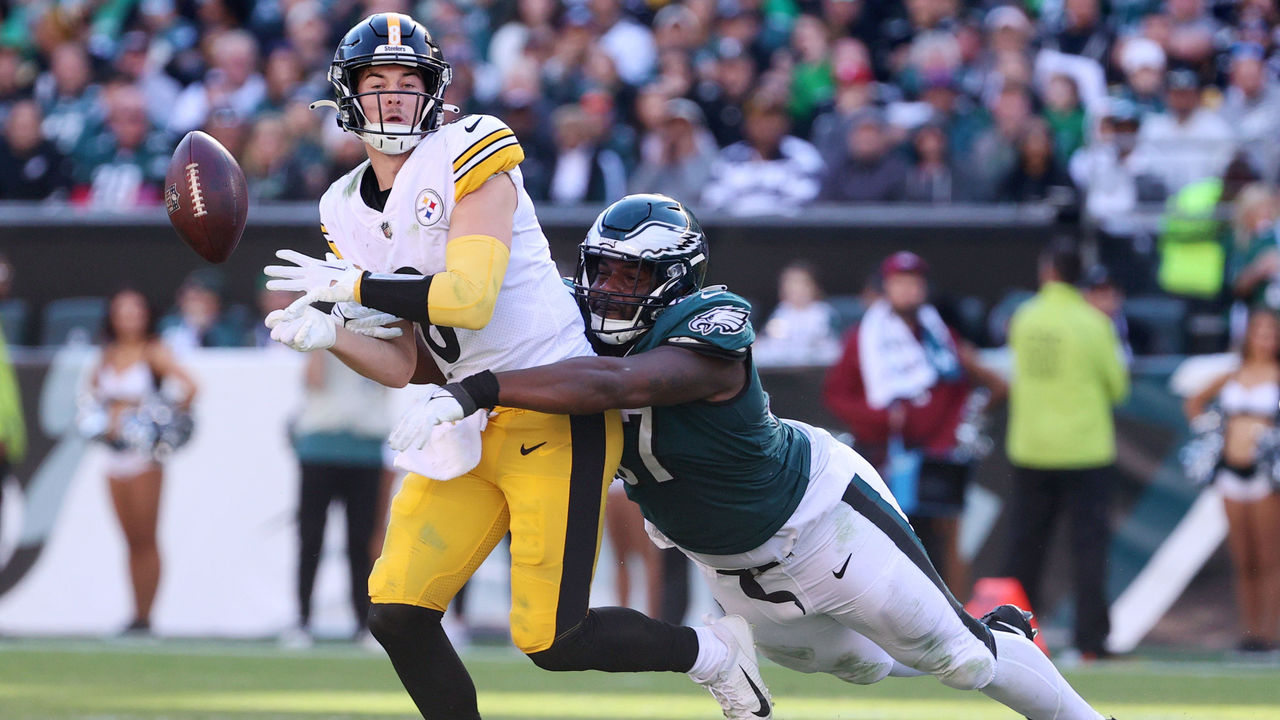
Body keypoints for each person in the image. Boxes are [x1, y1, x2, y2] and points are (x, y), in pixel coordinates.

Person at [389, 194, 1117, 720]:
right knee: (860, 667)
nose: (609, 291)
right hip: (730, 567)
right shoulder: (573, 333)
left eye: (631, 279)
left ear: (676, 280)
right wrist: (362, 316)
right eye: (602, 272)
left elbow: (617, 383)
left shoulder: (713, 321)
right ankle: (985, 631)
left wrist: (477, 388)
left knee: (960, 659)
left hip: (818, 521)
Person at [261, 14, 767, 720]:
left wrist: (354, 291)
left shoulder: (473, 148)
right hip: (463, 416)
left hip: (555, 408)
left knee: (551, 638)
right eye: (377, 82)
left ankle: (713, 654)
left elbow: (468, 299)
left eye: (410, 81)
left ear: (435, 92)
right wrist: (332, 336)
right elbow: (412, 361)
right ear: (347, 96)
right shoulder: (342, 206)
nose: (395, 97)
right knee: (397, 611)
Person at [823, 251, 1006, 595]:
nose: (908, 290)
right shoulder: (862, 338)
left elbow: (960, 390)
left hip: (935, 462)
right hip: (881, 460)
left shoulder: (941, 336)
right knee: (879, 546)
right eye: (900, 283)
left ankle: (950, 622)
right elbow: (836, 396)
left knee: (940, 546)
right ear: (886, 288)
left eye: (914, 283)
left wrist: (948, 436)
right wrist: (882, 420)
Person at [1003, 240, 1129, 661]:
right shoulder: (1095, 323)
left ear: (1047, 271)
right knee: (1089, 548)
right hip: (1085, 449)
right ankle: (1090, 641)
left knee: (1024, 546)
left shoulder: (1023, 317)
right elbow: (1118, 386)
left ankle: (1013, 634)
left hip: (1032, 446)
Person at [85, 288, 197, 634]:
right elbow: (91, 396)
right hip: (114, 456)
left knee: (147, 537)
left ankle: (146, 616)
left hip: (144, 458)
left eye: (135, 311)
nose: (128, 318)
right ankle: (135, 613)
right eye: (122, 311)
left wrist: (157, 418)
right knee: (130, 539)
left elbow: (191, 387)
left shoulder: (154, 352)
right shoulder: (106, 355)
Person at [1183, 309, 1280, 654]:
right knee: (1244, 559)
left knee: (1270, 557)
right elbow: (1193, 402)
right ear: (1248, 335)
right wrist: (1211, 433)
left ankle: (1270, 635)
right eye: (1260, 330)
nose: (1266, 337)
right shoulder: (1233, 374)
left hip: (1266, 477)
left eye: (1272, 330)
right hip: (1230, 475)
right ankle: (1250, 634)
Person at [282, 350, 393, 648]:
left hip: (366, 450)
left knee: (361, 541)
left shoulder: (378, 333)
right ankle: (302, 620)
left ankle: (363, 624)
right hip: (320, 448)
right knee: (310, 537)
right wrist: (327, 335)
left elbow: (389, 378)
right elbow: (313, 381)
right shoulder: (321, 332)